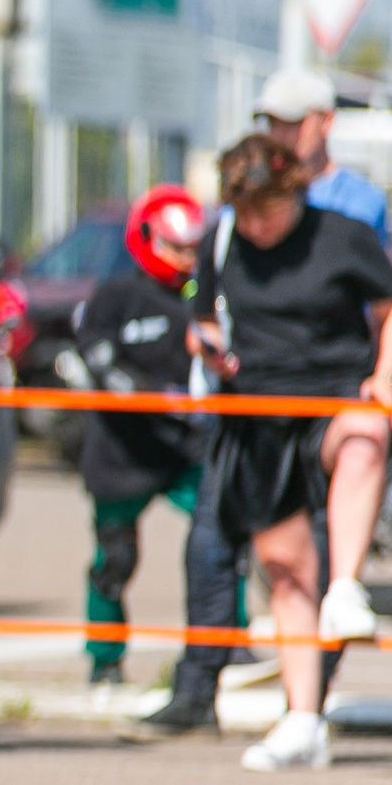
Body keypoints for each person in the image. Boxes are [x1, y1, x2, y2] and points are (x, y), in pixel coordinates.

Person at [190, 133, 392, 772]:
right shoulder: (223, 238)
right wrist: (206, 346)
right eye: (246, 214)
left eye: (268, 212)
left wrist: (388, 373)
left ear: (295, 191)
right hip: (259, 413)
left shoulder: (343, 237)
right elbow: (205, 316)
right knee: (284, 567)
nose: (257, 227)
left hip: (333, 394)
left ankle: (346, 586)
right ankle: (303, 719)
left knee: (366, 435)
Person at [65, 188, 238, 701]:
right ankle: (104, 661)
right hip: (123, 449)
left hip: (184, 448)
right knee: (114, 558)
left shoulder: (202, 296)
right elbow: (96, 359)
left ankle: (234, 644)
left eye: (192, 248)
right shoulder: (115, 296)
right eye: (174, 247)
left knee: (224, 535)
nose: (186, 258)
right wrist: (146, 395)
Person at [255, 68, 392, 250]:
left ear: (327, 120)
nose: (280, 134)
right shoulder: (253, 196)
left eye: (293, 121)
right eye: (272, 122)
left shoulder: (360, 202)